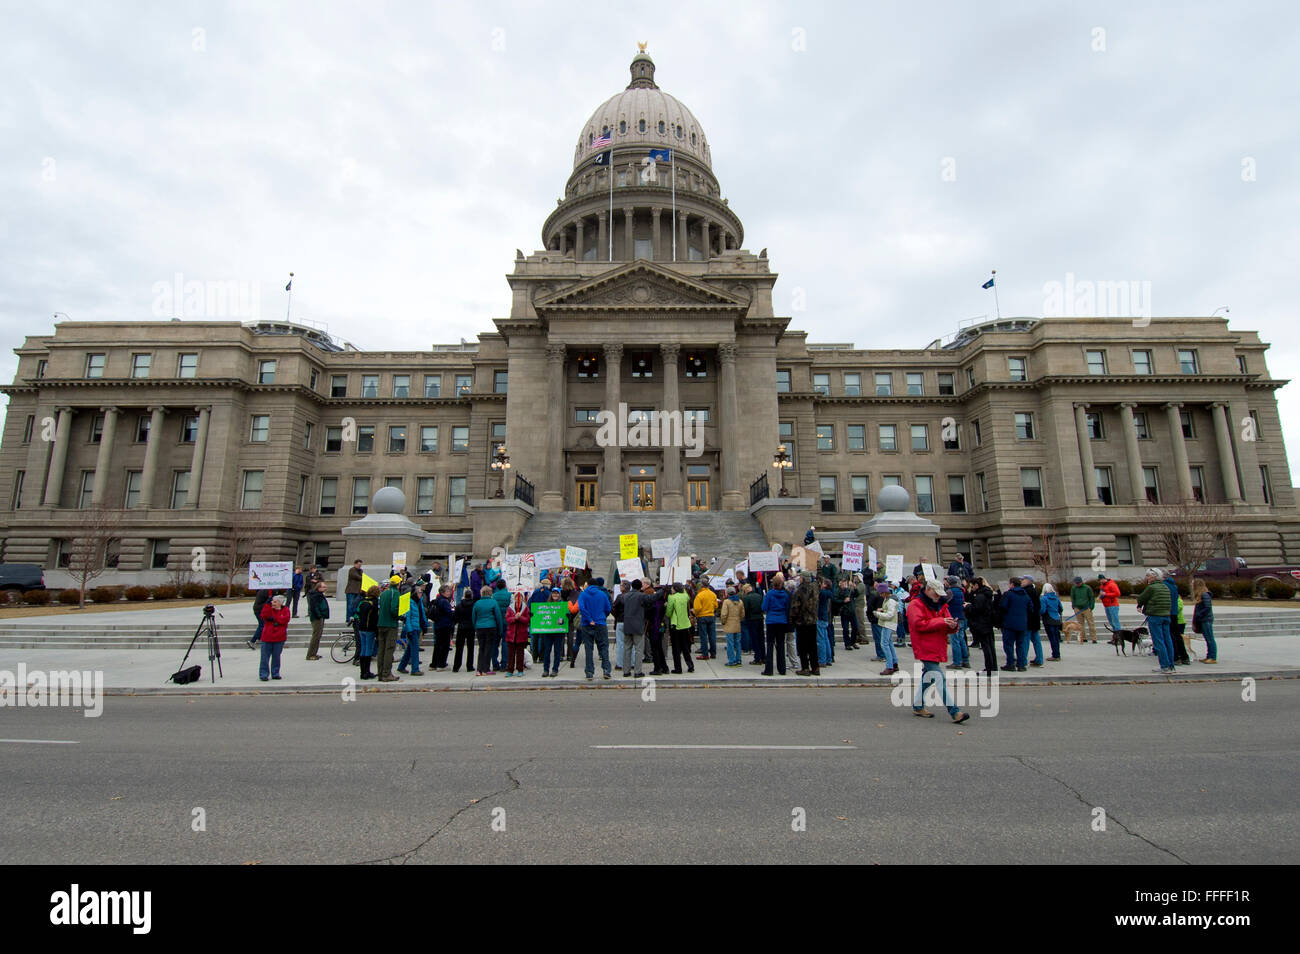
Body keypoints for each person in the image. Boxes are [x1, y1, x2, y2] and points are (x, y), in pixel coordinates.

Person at [907, 578, 969, 723]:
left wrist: (953, 626)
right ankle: (954, 712)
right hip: (924, 647)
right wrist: (942, 622)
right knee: (939, 678)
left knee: (927, 678)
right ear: (928, 590)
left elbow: (947, 623)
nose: (938, 596)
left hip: (936, 646)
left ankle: (917, 705)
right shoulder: (915, 604)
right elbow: (918, 625)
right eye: (936, 593)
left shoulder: (941, 604)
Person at [1136, 569, 1176, 674]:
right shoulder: (1165, 587)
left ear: (1154, 577)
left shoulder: (1151, 588)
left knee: (1158, 641)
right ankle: (1171, 665)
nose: (1147, 578)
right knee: (1168, 641)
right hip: (1166, 616)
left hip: (1155, 616)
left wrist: (1140, 605)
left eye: (1148, 576)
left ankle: (1164, 665)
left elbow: (1141, 598)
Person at [578, 577, 614, 681]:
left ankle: (589, 671)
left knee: (588, 648)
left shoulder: (583, 594)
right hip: (600, 622)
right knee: (603, 647)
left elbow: (582, 608)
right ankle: (606, 670)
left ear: (588, 585)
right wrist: (603, 617)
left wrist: (589, 619)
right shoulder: (602, 594)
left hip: (587, 624)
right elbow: (608, 608)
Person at [965, 577, 999, 675]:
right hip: (987, 622)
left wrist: (968, 606)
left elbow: (976, 609)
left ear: (976, 585)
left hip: (982, 623)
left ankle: (989, 669)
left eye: (972, 586)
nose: (971, 588)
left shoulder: (980, 596)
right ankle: (993, 668)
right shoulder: (987, 594)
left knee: (986, 647)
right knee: (990, 646)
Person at [790, 572, 821, 676]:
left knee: (802, 646)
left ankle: (805, 668)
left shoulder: (799, 591)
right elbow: (820, 580)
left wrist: (793, 619)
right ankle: (815, 667)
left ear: (802, 579)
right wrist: (818, 566)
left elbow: (795, 608)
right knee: (813, 646)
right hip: (813, 621)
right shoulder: (815, 588)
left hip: (802, 622)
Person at [998, 577, 1031, 672]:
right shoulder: (1025, 595)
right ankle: (1021, 665)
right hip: (1022, 624)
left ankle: (1010, 664)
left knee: (1008, 645)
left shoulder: (1009, 594)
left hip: (1009, 624)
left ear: (1012, 584)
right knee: (1020, 645)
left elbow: (1002, 606)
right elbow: (1031, 608)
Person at [760, 572, 790, 676]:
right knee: (781, 645)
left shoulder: (770, 594)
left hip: (771, 621)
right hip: (782, 620)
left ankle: (769, 669)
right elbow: (787, 607)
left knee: (769, 645)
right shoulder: (785, 595)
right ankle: (782, 669)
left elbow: (763, 607)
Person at [622, 579, 653, 677]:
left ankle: (626, 671)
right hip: (638, 625)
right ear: (640, 587)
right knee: (639, 649)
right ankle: (637, 671)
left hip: (627, 624)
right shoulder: (641, 596)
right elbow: (651, 599)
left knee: (627, 649)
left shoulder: (625, 596)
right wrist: (661, 591)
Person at [374, 576, 403, 682]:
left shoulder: (384, 593)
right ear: (398, 584)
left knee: (381, 650)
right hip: (390, 624)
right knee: (389, 650)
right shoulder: (395, 593)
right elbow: (394, 609)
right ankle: (386, 674)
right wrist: (400, 616)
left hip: (381, 624)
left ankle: (380, 673)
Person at [397, 581, 428, 675]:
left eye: (421, 592)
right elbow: (408, 618)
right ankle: (415, 669)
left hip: (417, 627)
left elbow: (422, 614)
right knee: (415, 648)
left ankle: (401, 666)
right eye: (419, 592)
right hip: (413, 628)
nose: (421, 594)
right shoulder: (409, 602)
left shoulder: (418, 602)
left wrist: (425, 625)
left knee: (410, 648)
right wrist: (409, 630)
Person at [258, 593, 290, 682]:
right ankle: (263, 674)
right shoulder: (268, 609)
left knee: (276, 657)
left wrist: (275, 619)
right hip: (267, 637)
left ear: (280, 603)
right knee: (264, 657)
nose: (273, 603)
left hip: (279, 637)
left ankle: (275, 673)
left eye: (275, 602)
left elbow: (285, 619)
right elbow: (264, 615)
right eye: (272, 601)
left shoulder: (285, 610)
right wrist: (267, 605)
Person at [473, 585, 505, 675]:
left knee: (481, 648)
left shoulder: (477, 603)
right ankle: (485, 669)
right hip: (491, 627)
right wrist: (500, 629)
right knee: (488, 648)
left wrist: (475, 626)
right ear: (490, 593)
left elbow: (473, 616)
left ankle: (479, 669)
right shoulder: (493, 602)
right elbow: (498, 616)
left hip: (480, 627)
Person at [665, 581, 694, 674]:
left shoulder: (671, 597)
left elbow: (669, 612)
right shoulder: (685, 596)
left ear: (675, 589)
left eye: (672, 588)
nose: (671, 590)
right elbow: (686, 594)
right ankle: (690, 665)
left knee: (676, 648)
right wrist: (682, 587)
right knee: (685, 647)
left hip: (675, 624)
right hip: (685, 624)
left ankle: (678, 668)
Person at [540, 587, 568, 677]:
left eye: (557, 593)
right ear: (551, 594)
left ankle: (555, 669)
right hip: (548, 631)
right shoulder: (547, 604)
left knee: (557, 651)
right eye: (553, 593)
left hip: (558, 632)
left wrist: (566, 616)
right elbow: (541, 615)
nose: (555, 595)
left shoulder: (562, 604)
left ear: (559, 594)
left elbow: (567, 616)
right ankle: (545, 669)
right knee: (547, 651)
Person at [874, 583, 900, 675]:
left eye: (881, 593)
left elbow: (890, 614)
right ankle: (894, 663)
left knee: (884, 644)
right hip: (889, 623)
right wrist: (882, 610)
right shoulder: (889, 599)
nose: (880, 595)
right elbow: (890, 611)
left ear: (885, 592)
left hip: (888, 624)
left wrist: (878, 614)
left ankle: (889, 666)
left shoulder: (890, 601)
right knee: (889, 643)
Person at [355, 586, 380, 680]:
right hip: (369, 629)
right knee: (368, 650)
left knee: (363, 649)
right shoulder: (374, 603)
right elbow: (375, 619)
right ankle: (367, 672)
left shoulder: (363, 601)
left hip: (361, 628)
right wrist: (377, 631)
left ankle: (362, 672)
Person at [1191, 578, 1218, 664]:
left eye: (1193, 584)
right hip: (1203, 619)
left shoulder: (1204, 595)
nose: (1192, 586)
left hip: (1206, 619)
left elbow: (1207, 607)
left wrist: (1199, 615)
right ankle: (1209, 655)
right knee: (1207, 638)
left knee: (1210, 638)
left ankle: (1212, 657)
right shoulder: (1201, 595)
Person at [946, 576, 970, 670]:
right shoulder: (960, 590)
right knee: (961, 639)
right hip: (961, 617)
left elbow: (944, 601)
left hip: (954, 617)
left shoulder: (950, 591)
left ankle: (957, 662)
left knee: (955, 640)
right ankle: (965, 660)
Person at [504, 591, 531, 677]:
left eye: (520, 598)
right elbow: (507, 619)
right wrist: (514, 618)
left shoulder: (525, 608)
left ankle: (520, 669)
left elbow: (527, 620)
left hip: (521, 634)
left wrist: (520, 618)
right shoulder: (510, 608)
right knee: (510, 654)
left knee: (520, 654)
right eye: (516, 597)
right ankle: (510, 670)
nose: (518, 599)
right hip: (511, 634)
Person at [1021, 575, 1045, 667]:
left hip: (1029, 620)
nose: (1021, 581)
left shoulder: (1027, 591)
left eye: (1023, 580)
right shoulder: (1034, 591)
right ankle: (1039, 658)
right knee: (1036, 640)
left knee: (1025, 640)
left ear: (1028, 581)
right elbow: (1038, 606)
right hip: (1035, 619)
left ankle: (1023, 660)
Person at [719, 584, 745, 668]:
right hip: (737, 624)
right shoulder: (740, 601)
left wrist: (723, 622)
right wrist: (739, 620)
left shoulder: (726, 602)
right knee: (738, 643)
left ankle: (731, 660)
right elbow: (742, 614)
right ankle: (738, 659)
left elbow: (724, 614)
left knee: (730, 643)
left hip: (729, 624)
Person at [741, 583, 765, 667]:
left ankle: (757, 658)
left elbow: (745, 610)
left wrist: (745, 617)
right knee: (761, 638)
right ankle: (763, 657)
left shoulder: (746, 598)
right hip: (760, 618)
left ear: (746, 590)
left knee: (754, 639)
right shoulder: (759, 596)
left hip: (751, 619)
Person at [453, 586, 476, 672]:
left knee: (459, 648)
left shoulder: (459, 606)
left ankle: (456, 666)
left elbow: (455, 617)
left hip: (461, 627)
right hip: (471, 627)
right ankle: (469, 666)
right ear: (471, 596)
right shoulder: (474, 605)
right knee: (470, 648)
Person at [693, 582, 719, 660]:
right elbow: (716, 605)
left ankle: (705, 654)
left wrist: (696, 615)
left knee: (703, 636)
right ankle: (713, 653)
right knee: (712, 636)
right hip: (711, 615)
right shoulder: (713, 594)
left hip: (702, 616)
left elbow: (697, 608)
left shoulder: (699, 595)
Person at [305, 579, 329, 660]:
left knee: (318, 636)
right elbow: (314, 607)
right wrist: (319, 616)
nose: (325, 588)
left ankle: (314, 653)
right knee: (316, 636)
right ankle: (310, 655)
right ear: (319, 588)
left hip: (320, 617)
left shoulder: (319, 594)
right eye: (324, 587)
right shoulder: (315, 595)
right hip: (317, 618)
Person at [1040, 582, 1063, 661]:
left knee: (1052, 638)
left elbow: (1042, 610)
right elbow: (1061, 608)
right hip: (1056, 619)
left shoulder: (1043, 598)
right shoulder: (1056, 598)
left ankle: (1055, 655)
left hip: (1048, 619)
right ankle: (1057, 654)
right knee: (1056, 638)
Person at [1070, 576, 1097, 643]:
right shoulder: (1074, 588)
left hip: (1086, 608)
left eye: (1079, 583)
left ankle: (1094, 638)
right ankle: (1083, 638)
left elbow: (1091, 597)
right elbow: (1072, 597)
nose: (1078, 584)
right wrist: (1074, 606)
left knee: (1091, 623)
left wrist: (1091, 607)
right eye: (1076, 583)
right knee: (1080, 624)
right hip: (1077, 608)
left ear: (1082, 582)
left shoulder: (1087, 588)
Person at [816, 577, 834, 668]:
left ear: (825, 585)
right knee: (826, 639)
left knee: (820, 640)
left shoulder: (822, 593)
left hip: (821, 617)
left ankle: (822, 660)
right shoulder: (829, 593)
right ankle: (828, 658)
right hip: (825, 618)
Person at [612, 580, 630, 671]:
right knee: (632, 643)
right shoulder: (631, 596)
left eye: (621, 585)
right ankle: (632, 662)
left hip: (621, 621)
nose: (620, 587)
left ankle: (620, 663)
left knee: (621, 643)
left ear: (624, 587)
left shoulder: (620, 597)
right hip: (630, 621)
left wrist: (617, 615)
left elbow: (613, 608)